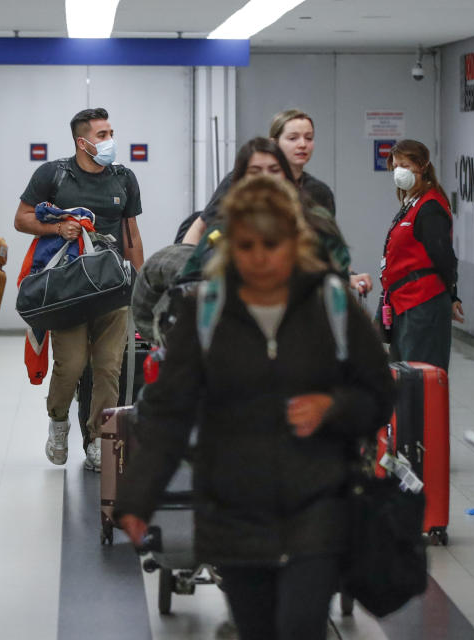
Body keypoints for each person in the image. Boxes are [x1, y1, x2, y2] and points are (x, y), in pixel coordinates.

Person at [116, 175, 394, 640]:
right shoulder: (206, 311)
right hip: (233, 509)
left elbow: (379, 393)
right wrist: (139, 496)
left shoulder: (331, 304)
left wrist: (333, 407)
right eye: (247, 244)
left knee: (301, 625)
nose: (260, 257)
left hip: (318, 500)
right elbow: (169, 412)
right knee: (256, 627)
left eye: (272, 242)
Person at [14, 107, 144, 472]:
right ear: (81, 141)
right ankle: (58, 419)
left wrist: (141, 284)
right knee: (70, 365)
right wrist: (58, 229)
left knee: (109, 368)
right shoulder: (54, 174)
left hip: (113, 286)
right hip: (70, 288)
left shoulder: (124, 179)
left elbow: (132, 235)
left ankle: (100, 440)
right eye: (102, 135)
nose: (110, 141)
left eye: (110, 132)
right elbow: (22, 218)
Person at [178, 137, 372, 292]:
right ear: (240, 179)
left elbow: (336, 269)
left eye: (273, 170)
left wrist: (347, 277)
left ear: (286, 175)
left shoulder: (316, 221)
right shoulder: (221, 229)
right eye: (255, 171)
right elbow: (188, 279)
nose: (265, 177)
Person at [183, 109, 335, 245]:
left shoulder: (319, 192)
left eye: (309, 138)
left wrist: (347, 274)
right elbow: (200, 227)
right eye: (293, 138)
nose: (303, 144)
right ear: (274, 143)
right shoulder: (239, 181)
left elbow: (330, 247)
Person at [381, 139, 464, 370]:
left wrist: (452, 295)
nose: (399, 172)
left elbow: (445, 258)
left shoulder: (430, 207)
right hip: (403, 302)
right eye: (396, 166)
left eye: (406, 166)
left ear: (423, 166)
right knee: (402, 376)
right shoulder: (411, 202)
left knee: (419, 377)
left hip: (422, 303)